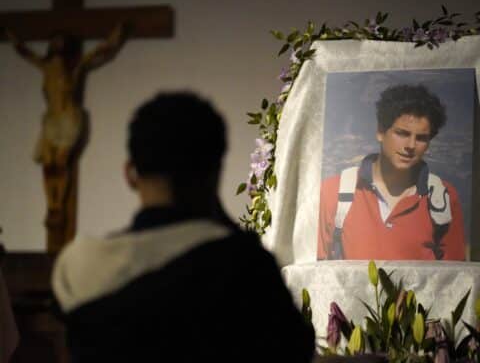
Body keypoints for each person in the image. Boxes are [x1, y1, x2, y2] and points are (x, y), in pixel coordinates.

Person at [51, 92, 315, 362]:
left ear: (130, 174)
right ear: (214, 172)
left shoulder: (78, 266)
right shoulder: (245, 266)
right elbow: (295, 350)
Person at [5, 25, 128, 252]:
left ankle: (58, 205)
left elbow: (102, 50)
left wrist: (117, 36)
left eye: (61, 42)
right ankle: (52, 207)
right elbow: (24, 52)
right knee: (48, 166)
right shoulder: (45, 66)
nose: (57, 45)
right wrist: (11, 34)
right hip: (51, 119)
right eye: (54, 42)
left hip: (69, 117)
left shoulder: (76, 67)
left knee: (61, 163)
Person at [317, 84, 465, 260]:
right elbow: (315, 272)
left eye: (421, 138)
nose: (410, 145)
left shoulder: (443, 198)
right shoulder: (333, 192)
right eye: (402, 133)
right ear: (380, 132)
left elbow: (454, 278)